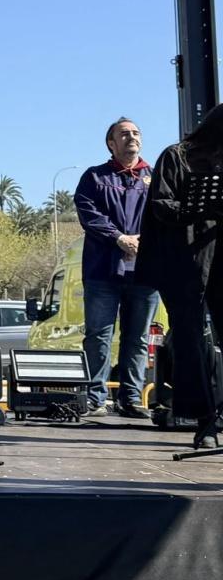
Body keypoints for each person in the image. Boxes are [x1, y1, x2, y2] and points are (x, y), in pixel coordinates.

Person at [136, 104, 223, 449]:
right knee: (189, 339)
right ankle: (204, 421)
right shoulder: (177, 156)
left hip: (218, 260)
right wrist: (200, 209)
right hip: (182, 262)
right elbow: (162, 205)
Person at [74, 118, 159, 419]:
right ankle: (95, 399)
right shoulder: (94, 178)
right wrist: (119, 238)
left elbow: (164, 213)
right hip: (102, 272)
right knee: (98, 336)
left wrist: (143, 241)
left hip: (145, 273)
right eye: (124, 134)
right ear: (111, 143)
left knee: (137, 337)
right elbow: (88, 213)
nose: (131, 137)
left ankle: (131, 398)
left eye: (136, 133)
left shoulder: (155, 177)